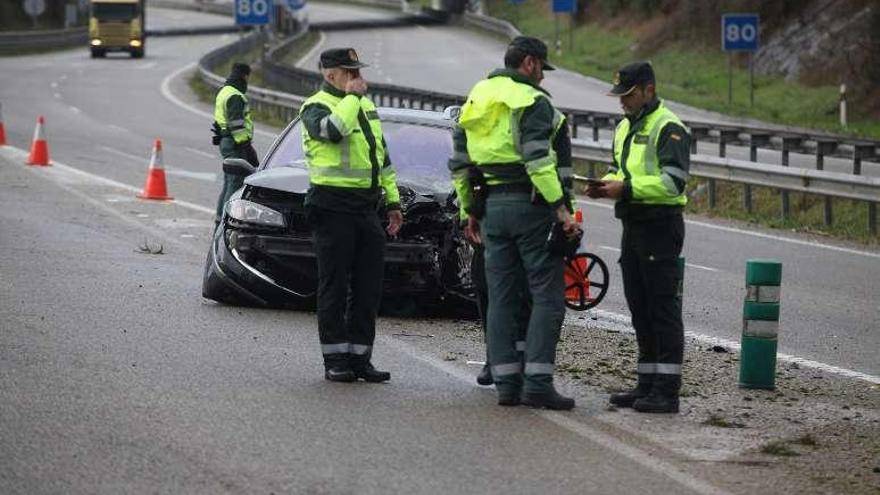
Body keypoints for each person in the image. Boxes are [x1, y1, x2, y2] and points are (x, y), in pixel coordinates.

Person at [449, 36, 578, 410]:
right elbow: (539, 160)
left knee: (501, 297)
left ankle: (506, 384)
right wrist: (562, 208)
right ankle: (538, 382)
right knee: (548, 296)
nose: (542, 78)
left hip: (491, 210)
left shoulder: (478, 96)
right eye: (542, 69)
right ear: (530, 64)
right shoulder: (533, 101)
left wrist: (468, 211)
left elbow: (460, 162)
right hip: (530, 206)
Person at [586, 62, 690, 413]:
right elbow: (622, 169)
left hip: (660, 226)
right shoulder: (624, 127)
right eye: (620, 96)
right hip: (632, 225)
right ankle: (646, 384)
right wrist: (606, 184)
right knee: (640, 308)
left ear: (648, 89)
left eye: (628, 95)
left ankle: (667, 391)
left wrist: (625, 188)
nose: (623, 102)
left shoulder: (669, 127)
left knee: (662, 309)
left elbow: (672, 183)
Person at [300, 48, 403, 383]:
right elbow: (333, 132)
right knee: (334, 286)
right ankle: (335, 360)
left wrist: (393, 203)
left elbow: (381, 159)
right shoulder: (315, 107)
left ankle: (361, 358)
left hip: (365, 208)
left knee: (368, 287)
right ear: (331, 75)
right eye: (350, 72)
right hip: (331, 207)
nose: (359, 79)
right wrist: (351, 97)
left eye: (358, 72)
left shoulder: (365, 106)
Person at [212, 62, 260, 224]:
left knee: (228, 183)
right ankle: (226, 220)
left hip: (226, 140)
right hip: (235, 144)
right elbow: (237, 125)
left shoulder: (224, 91)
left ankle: (220, 219)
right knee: (234, 184)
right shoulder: (235, 96)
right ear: (245, 76)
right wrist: (246, 147)